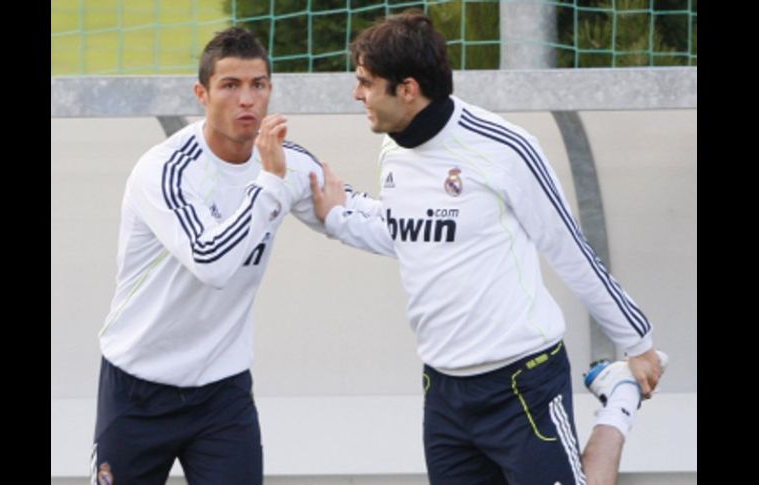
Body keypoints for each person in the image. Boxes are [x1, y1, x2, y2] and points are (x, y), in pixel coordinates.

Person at [302, 11, 666, 485]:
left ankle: (619, 402)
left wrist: (637, 342)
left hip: (522, 381)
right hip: (444, 392)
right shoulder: (393, 150)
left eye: (366, 82)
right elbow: (411, 234)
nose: (357, 94)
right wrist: (337, 217)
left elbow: (570, 249)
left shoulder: (504, 148)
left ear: (407, 89)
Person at [91, 27, 361, 484]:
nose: (247, 100)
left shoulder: (284, 160)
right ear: (202, 93)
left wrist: (445, 231)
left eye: (258, 85)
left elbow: (355, 212)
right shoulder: (164, 169)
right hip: (137, 387)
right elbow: (211, 261)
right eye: (230, 86)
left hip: (221, 392)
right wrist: (271, 185)